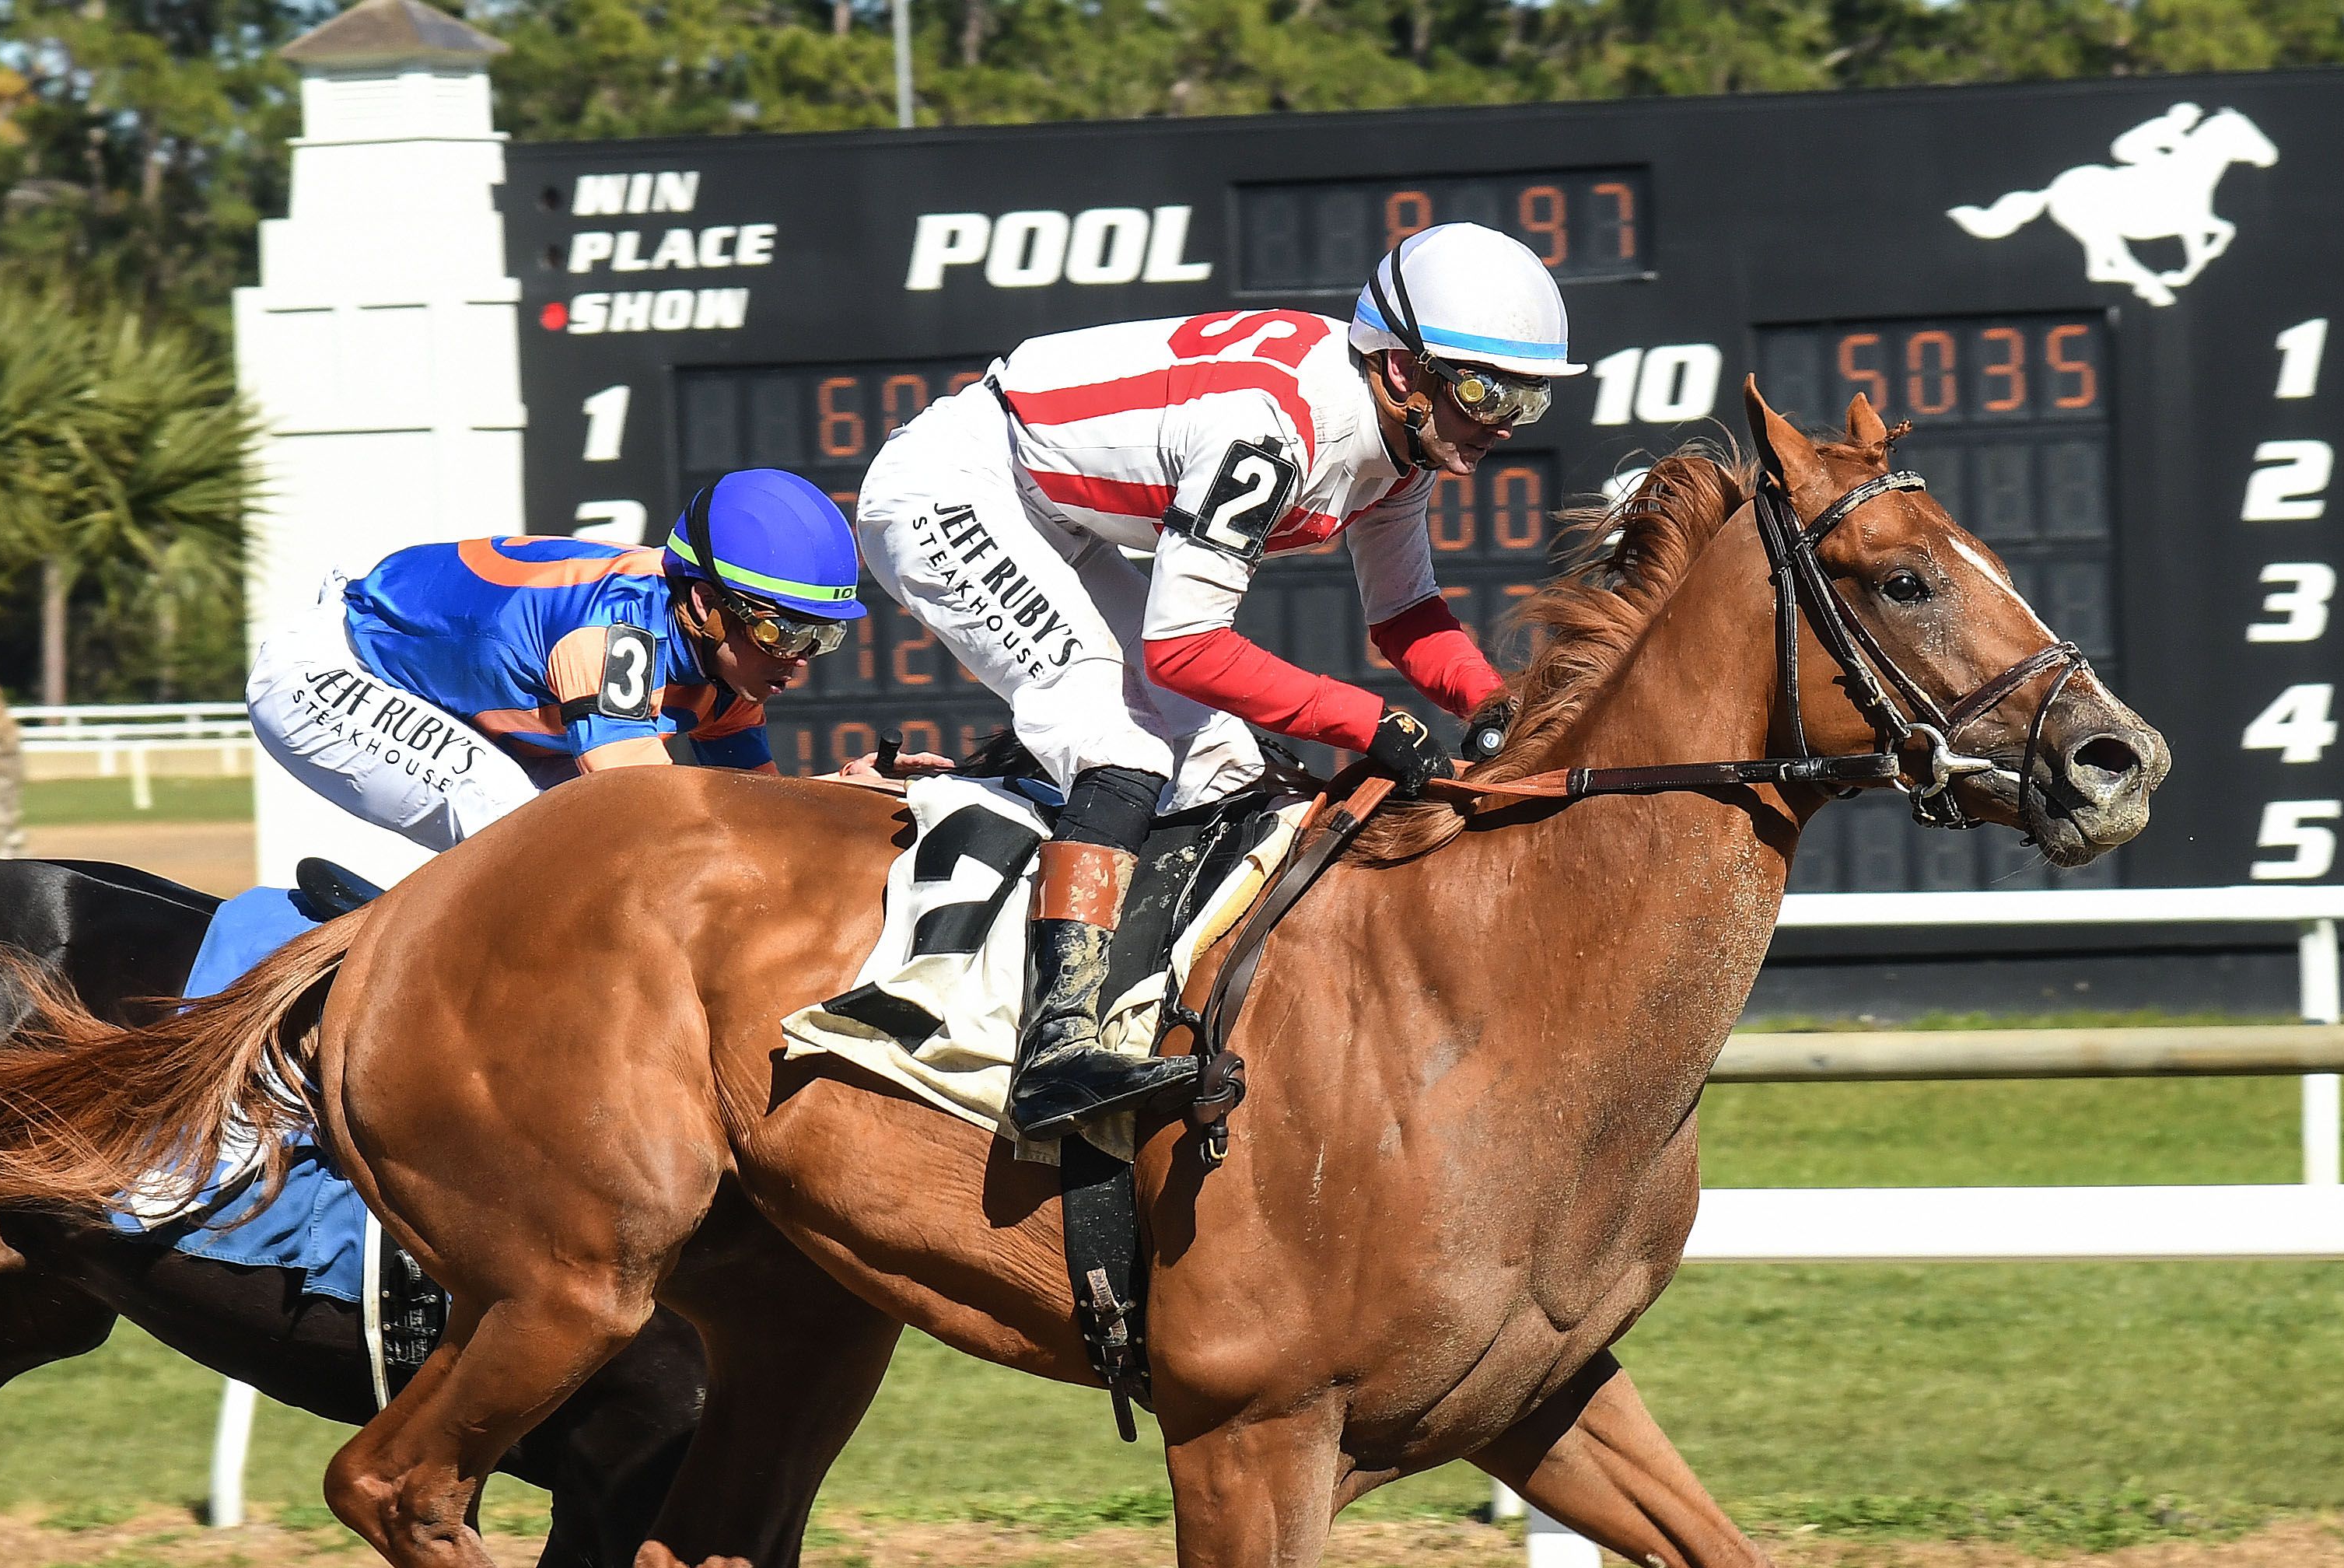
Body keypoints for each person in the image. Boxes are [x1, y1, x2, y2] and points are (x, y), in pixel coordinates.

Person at [855, 222, 1581, 1139]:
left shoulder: (1404, 442)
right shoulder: (1275, 429)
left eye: (1529, 400)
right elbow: (1185, 651)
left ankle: (1139, 1009)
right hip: (958, 483)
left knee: (1225, 766)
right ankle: (1051, 1048)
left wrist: (1492, 702)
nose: (1504, 424)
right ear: (1401, 371)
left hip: (1052, 507)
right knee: (1116, 739)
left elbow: (1404, 615)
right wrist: (1364, 720)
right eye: (1485, 390)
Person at [249, 469, 869, 851]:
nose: (798, 660)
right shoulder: (617, 635)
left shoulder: (728, 669)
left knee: (580, 840)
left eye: (820, 638)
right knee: (536, 832)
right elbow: (658, 811)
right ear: (705, 601)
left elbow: (759, 814)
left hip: (461, 711)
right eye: (781, 632)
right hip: (332, 672)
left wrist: (848, 795)